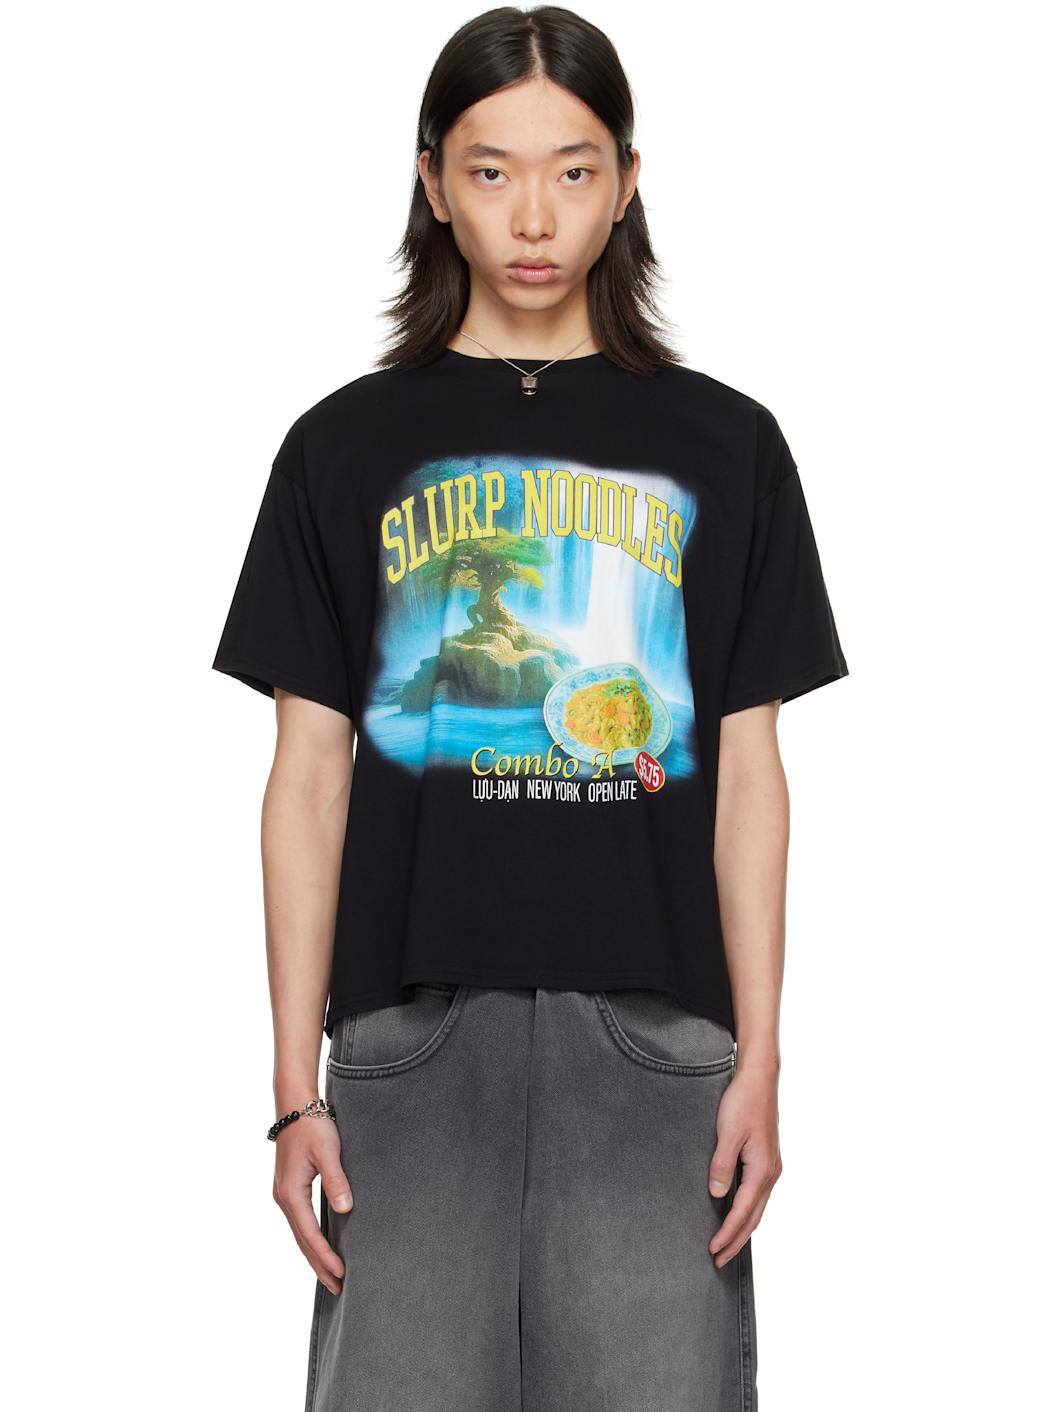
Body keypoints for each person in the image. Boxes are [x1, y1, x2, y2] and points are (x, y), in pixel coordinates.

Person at [212, 7, 849, 1409]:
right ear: (434, 183)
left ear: (627, 181)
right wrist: (294, 1085)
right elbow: (308, 775)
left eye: (573, 169)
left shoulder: (728, 443)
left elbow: (749, 770)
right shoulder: (340, 445)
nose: (535, 216)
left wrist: (761, 1058)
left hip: (660, 1038)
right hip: (408, 1036)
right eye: (491, 171)